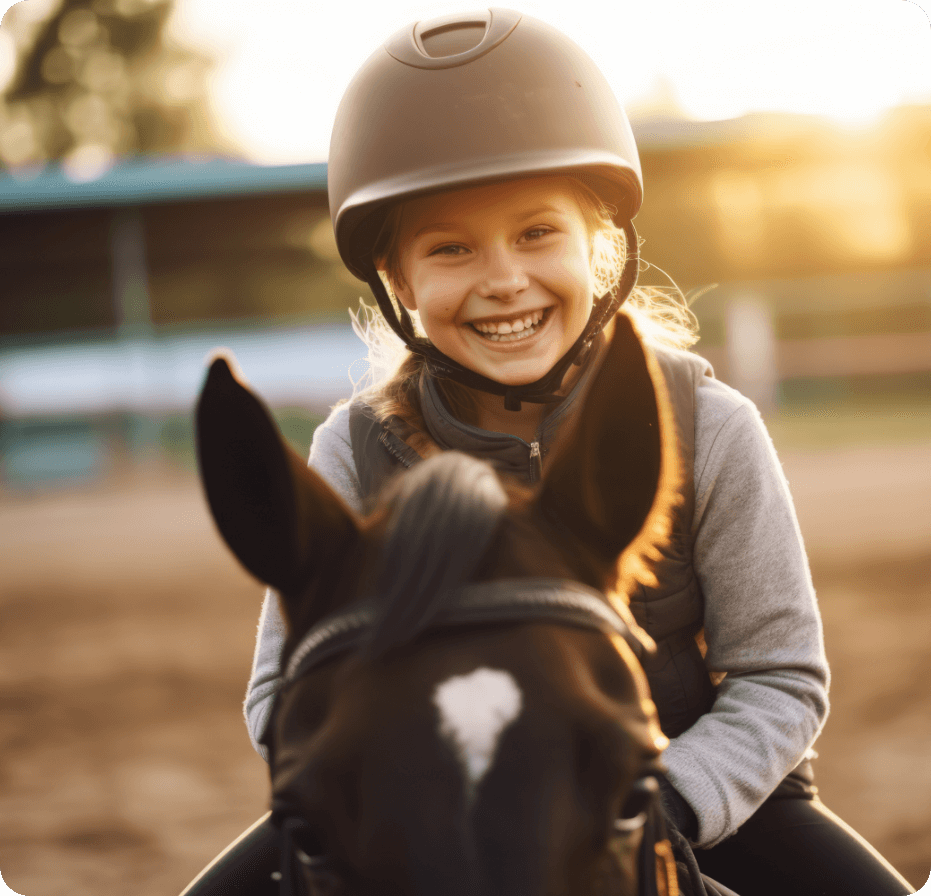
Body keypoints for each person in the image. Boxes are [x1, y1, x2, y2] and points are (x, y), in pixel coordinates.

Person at [182, 10, 914, 896]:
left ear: (598, 252)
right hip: (412, 813)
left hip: (693, 796)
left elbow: (779, 676)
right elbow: (277, 696)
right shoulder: (351, 449)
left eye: (536, 233)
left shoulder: (711, 427)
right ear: (401, 284)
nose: (503, 279)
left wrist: (666, 804)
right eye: (451, 249)